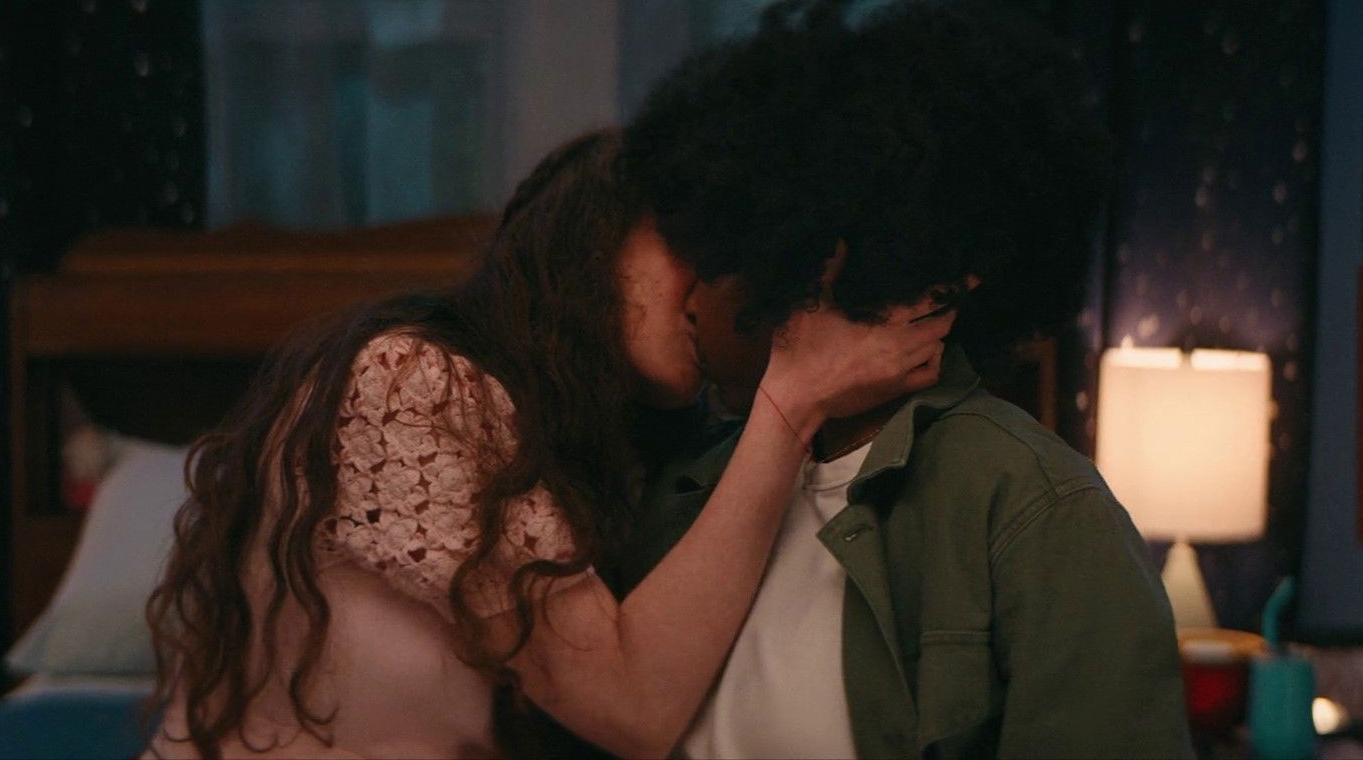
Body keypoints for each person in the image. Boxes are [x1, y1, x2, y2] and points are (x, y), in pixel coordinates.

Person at [143, 129, 955, 759]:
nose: (719, 290)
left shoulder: (601, 457)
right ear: (595, 234)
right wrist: (794, 398)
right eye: (696, 244)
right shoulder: (409, 379)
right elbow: (633, 706)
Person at [615, 0, 1194, 759]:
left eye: (714, 252)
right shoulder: (681, 489)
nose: (686, 301)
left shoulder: (1037, 513)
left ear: (815, 261)